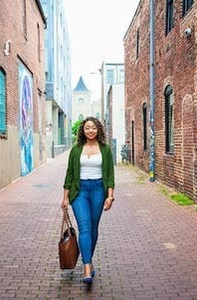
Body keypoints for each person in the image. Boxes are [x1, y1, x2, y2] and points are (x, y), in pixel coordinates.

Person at [61, 116, 115, 285]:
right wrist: (65, 198)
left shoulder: (105, 149)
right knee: (84, 227)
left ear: (98, 129)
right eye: (87, 128)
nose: (90, 130)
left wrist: (110, 195)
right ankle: (86, 267)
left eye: (93, 127)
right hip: (80, 191)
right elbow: (70, 173)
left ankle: (89, 261)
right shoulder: (76, 149)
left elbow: (109, 174)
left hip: (98, 190)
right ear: (82, 131)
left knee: (93, 228)